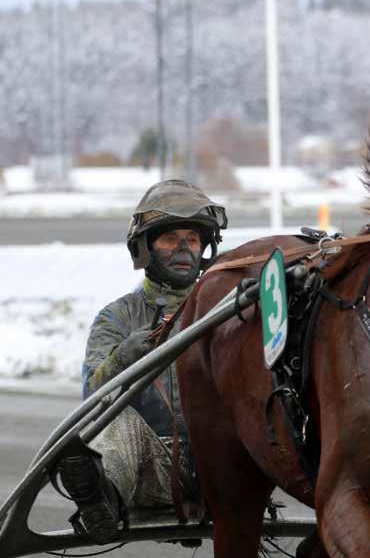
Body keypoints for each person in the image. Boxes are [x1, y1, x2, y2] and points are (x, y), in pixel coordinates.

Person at [55, 179, 228, 545]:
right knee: (116, 416)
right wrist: (125, 358)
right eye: (170, 239)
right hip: (146, 468)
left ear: (205, 248)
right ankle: (100, 499)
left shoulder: (226, 311)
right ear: (145, 248)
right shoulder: (116, 318)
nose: (183, 248)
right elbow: (92, 396)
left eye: (192, 239)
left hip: (220, 467)